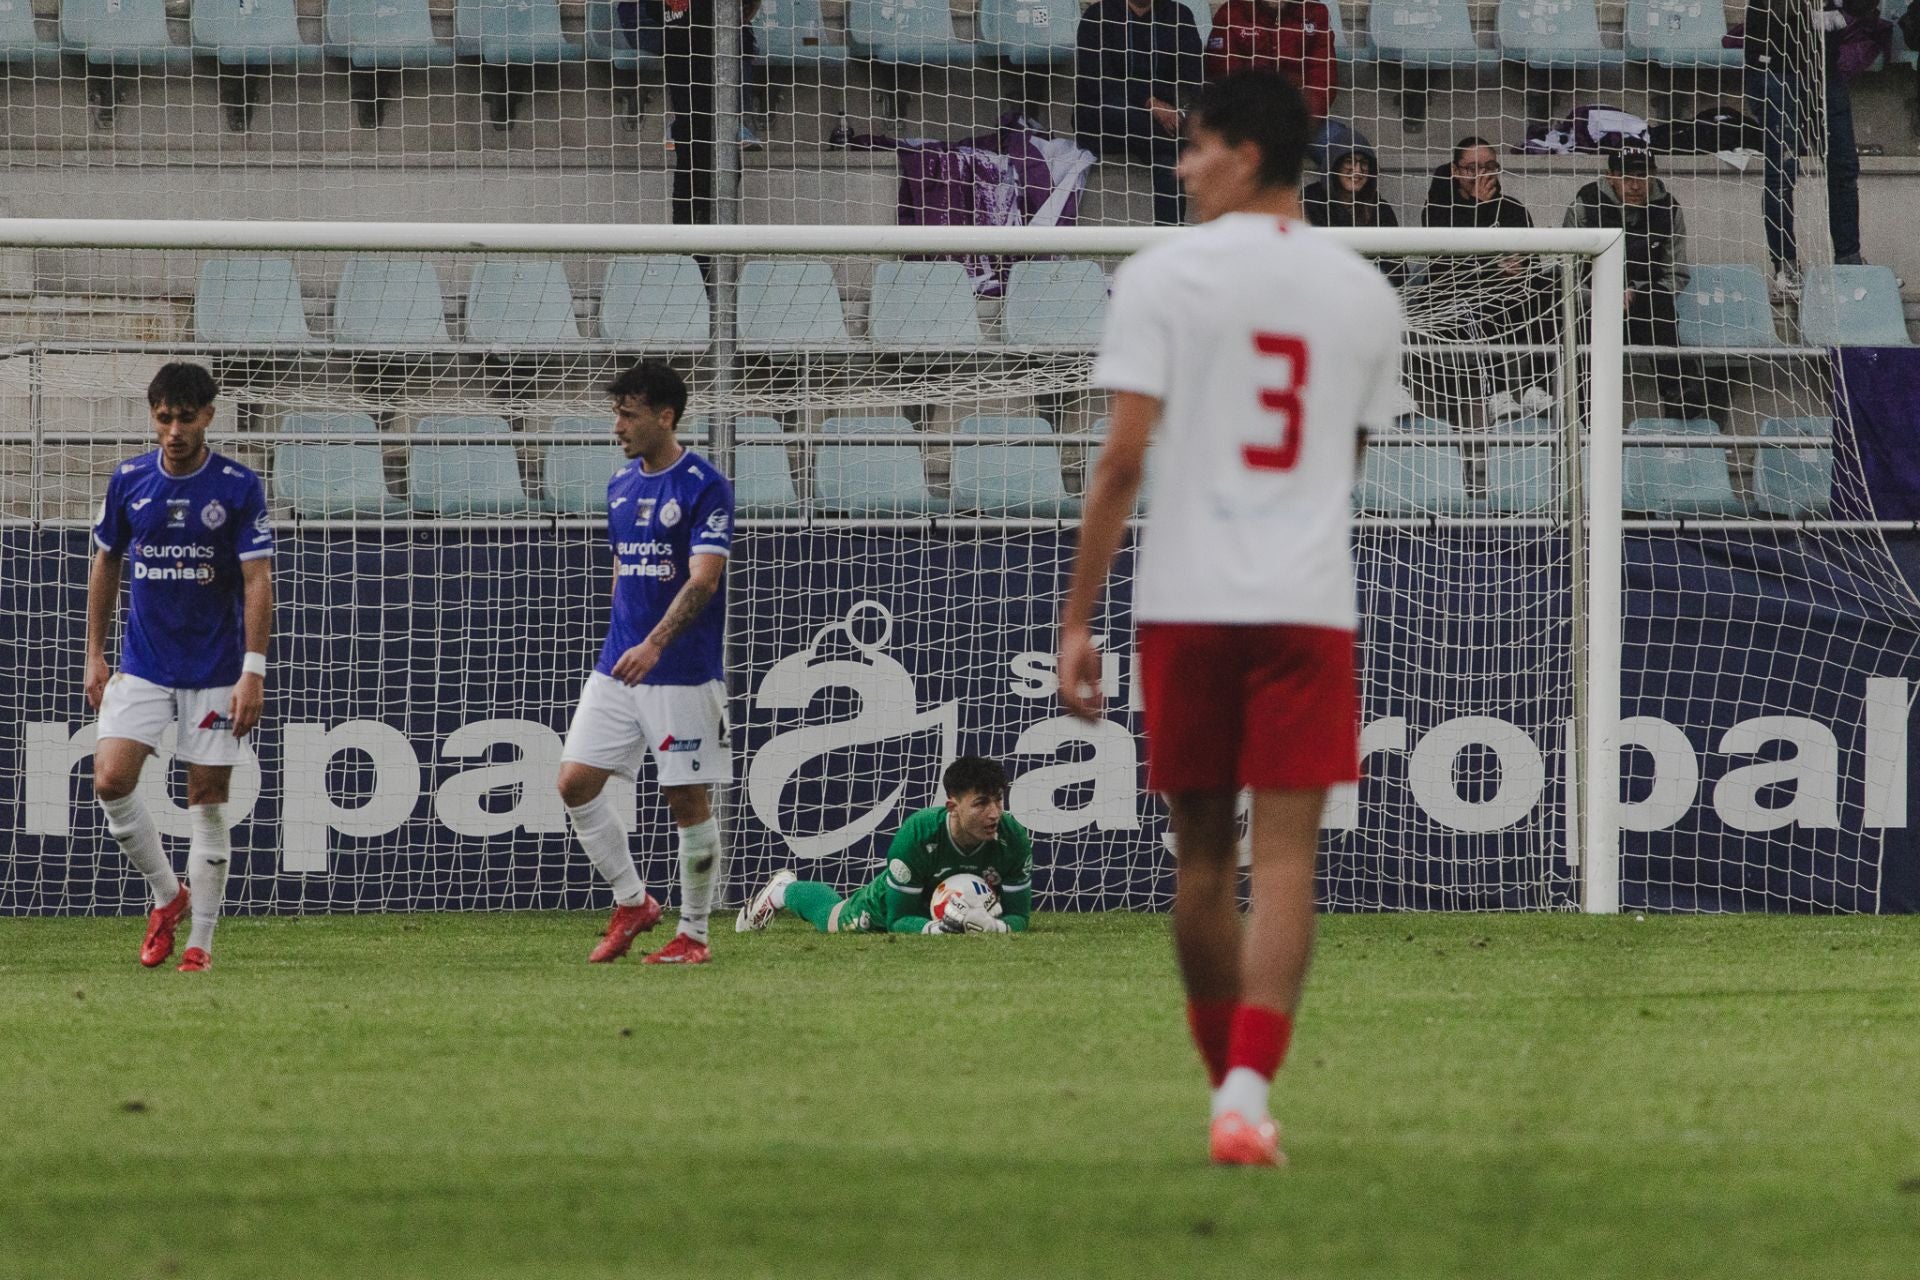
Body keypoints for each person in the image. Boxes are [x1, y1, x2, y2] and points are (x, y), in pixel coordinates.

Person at [1059, 69, 1403, 1167]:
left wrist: (1076, 620)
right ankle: (1251, 1084)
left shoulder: (1166, 277)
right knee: (1290, 857)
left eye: (1195, 147)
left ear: (1246, 154)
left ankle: (1229, 1088)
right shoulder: (1365, 293)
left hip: (1189, 599)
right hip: (1305, 601)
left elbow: (1118, 462)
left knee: (1201, 855)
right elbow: (1347, 456)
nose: (1180, 165)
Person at [85, 362, 274, 973]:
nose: (173, 430)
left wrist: (253, 671)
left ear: (208, 417)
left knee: (206, 801)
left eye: (185, 418)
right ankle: (169, 897)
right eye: (164, 417)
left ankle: (201, 943)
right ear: (154, 416)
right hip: (142, 663)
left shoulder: (238, 486)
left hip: (216, 669)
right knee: (111, 782)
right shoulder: (130, 479)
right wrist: (93, 651)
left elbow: (257, 581)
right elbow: (106, 563)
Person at [556, 361, 734, 966]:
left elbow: (703, 581)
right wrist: (623, 641)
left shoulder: (704, 485)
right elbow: (621, 572)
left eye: (628, 414)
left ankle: (695, 935)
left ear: (665, 416)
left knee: (686, 799)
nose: (617, 426)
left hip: (679, 669)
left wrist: (654, 642)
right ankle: (633, 902)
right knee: (574, 783)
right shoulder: (619, 486)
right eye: (617, 413)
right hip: (618, 667)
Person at [734, 757, 1033, 936]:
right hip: (893, 905)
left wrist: (993, 927)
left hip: (953, 908)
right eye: (981, 803)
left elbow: (1019, 916)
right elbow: (899, 919)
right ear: (952, 806)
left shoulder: (1013, 838)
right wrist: (938, 930)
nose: (994, 813)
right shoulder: (918, 835)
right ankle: (782, 890)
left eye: (998, 800)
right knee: (832, 918)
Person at [1562, 146, 1713, 426]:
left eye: (1642, 176)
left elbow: (1675, 275)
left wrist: (1636, 290)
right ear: (1610, 177)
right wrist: (1604, 294)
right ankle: (1583, 418)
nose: (1635, 186)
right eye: (1626, 177)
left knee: (1659, 301)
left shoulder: (1667, 208)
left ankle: (1679, 396)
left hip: (1645, 309)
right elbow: (1567, 274)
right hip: (1593, 305)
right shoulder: (1585, 205)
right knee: (1576, 321)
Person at [1419, 136, 1557, 423]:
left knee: (1551, 288)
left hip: (1512, 296)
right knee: (1483, 293)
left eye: (1489, 166)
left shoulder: (1513, 209)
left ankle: (1536, 386)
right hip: (1455, 301)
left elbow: (1532, 264)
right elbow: (1450, 268)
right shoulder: (1437, 210)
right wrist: (1481, 209)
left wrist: (1520, 266)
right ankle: (1496, 392)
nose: (1482, 174)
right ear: (1456, 171)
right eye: (1473, 168)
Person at [1744, 0, 1864, 296]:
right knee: (1783, 172)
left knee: (1844, 166)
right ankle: (1785, 265)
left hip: (1823, 69)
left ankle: (1849, 261)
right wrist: (1812, 11)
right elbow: (1773, 10)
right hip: (1774, 67)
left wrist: (1846, 9)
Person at [1076, 0, 1205, 227]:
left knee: (1169, 162)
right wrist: (1150, 102)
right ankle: (1190, 145)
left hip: (1161, 127)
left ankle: (1167, 241)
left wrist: (1173, 109)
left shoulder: (1179, 15)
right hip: (1111, 123)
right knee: (1115, 108)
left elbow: (1192, 80)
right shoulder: (1097, 16)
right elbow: (1098, 83)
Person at [662, 0, 764, 230]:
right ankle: (693, 252)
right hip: (687, 50)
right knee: (694, 158)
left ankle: (706, 251)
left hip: (721, 46)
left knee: (719, 163)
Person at [1203, 0, 1337, 121]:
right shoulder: (1231, 14)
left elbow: (1322, 76)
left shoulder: (1316, 13)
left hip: (1298, 120)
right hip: (1244, 125)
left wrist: (1302, 121)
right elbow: (1225, 78)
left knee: (1347, 141)